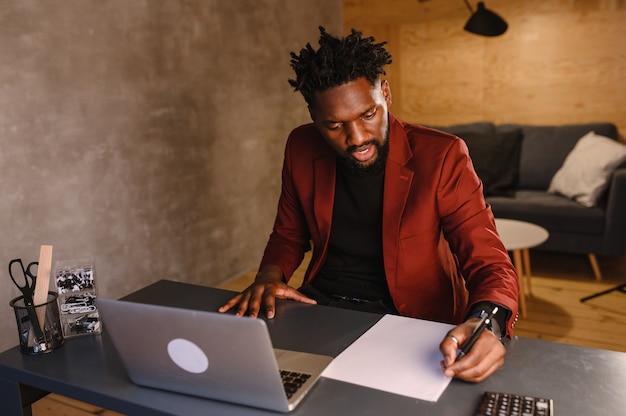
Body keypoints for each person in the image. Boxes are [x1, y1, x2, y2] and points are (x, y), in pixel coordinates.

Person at [219, 27, 519, 383]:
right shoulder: (301, 146)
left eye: (367, 114)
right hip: (321, 309)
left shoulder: (442, 156)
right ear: (314, 118)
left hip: (411, 321)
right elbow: (288, 232)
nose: (357, 138)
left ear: (386, 94)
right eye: (334, 125)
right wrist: (268, 279)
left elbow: (489, 262)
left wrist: (488, 322)